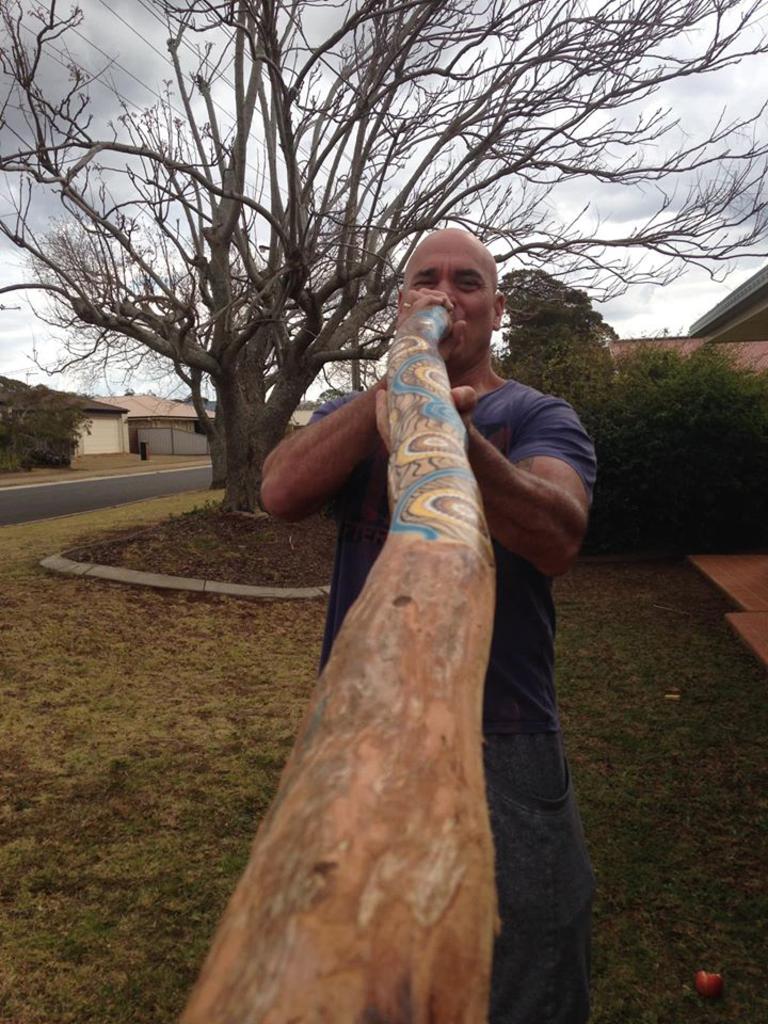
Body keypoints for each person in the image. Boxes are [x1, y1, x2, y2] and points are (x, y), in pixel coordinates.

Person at [261, 228, 597, 1024]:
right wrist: (393, 393)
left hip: (504, 733)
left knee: (526, 969)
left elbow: (559, 534)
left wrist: (457, 436)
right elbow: (279, 490)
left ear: (497, 308)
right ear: (404, 302)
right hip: (364, 734)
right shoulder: (352, 411)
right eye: (428, 281)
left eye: (468, 282)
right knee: (367, 968)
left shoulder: (540, 414)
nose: (449, 294)